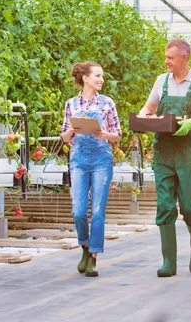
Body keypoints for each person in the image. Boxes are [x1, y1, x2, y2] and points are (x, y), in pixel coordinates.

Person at [139, 38, 191, 277]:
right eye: (166, 57)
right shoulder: (161, 81)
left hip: (189, 153)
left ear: (184, 58)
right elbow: (148, 108)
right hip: (164, 152)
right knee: (164, 205)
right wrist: (145, 118)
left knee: (190, 207)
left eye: (171, 58)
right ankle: (168, 262)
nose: (166, 62)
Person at [60, 62, 122, 277]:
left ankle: (93, 258)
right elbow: (65, 137)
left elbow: (118, 134)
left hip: (101, 160)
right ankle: (85, 248)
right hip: (78, 159)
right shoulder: (71, 104)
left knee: (97, 211)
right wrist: (71, 129)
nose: (101, 79)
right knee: (78, 211)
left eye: (102, 76)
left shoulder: (107, 103)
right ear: (85, 78)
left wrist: (106, 134)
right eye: (97, 75)